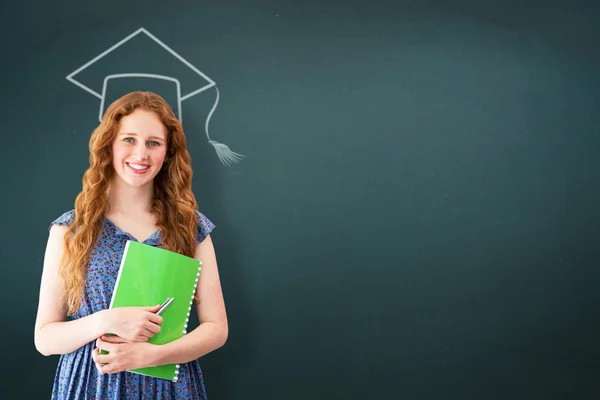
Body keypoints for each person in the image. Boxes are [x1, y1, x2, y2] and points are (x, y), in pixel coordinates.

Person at [34, 91, 228, 399]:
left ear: (168, 153)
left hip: (169, 385)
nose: (141, 154)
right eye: (129, 139)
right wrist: (106, 321)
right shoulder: (71, 229)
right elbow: (44, 339)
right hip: (92, 384)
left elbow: (216, 328)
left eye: (154, 143)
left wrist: (152, 356)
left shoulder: (190, 227)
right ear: (108, 143)